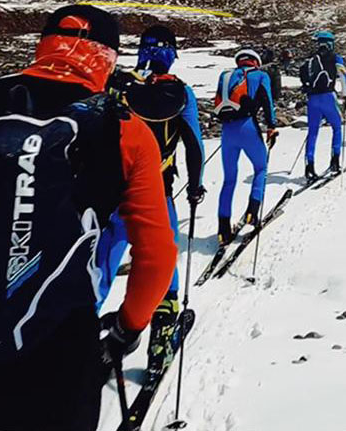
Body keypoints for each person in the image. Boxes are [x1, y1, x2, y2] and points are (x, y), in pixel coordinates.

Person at [0, 5, 177, 431]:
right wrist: (127, 328)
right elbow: (156, 254)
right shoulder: (122, 128)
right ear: (109, 56)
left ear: (42, 45)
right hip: (53, 360)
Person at [105, 24, 206, 375]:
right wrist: (196, 186)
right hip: (154, 191)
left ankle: (76, 346)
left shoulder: (114, 84)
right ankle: (160, 344)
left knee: (100, 267)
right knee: (162, 265)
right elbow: (194, 144)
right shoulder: (179, 93)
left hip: (106, 194)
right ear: (171, 54)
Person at [214, 49, 277, 245]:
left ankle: (223, 230)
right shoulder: (260, 75)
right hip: (248, 127)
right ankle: (252, 211)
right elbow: (267, 101)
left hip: (227, 131)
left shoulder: (226, 77)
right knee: (260, 168)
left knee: (229, 179)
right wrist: (271, 127)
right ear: (255, 62)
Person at [299, 30, 346, 180]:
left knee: (313, 132)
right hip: (328, 97)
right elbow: (343, 76)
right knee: (337, 127)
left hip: (312, 99)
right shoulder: (336, 58)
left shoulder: (311, 60)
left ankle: (309, 166)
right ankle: (335, 161)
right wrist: (345, 95)